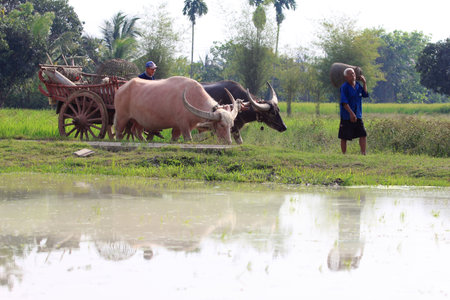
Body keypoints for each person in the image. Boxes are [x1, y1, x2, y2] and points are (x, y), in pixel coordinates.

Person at [339, 68, 369, 155]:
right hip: (346, 115)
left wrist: (364, 83)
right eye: (350, 74)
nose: (353, 76)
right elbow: (344, 102)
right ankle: (344, 154)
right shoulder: (344, 87)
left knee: (363, 134)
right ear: (346, 77)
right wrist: (351, 114)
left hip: (358, 114)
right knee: (344, 136)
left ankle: (363, 153)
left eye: (354, 74)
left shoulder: (358, 85)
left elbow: (365, 94)